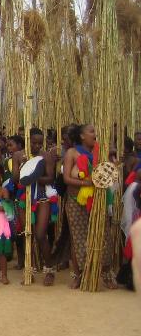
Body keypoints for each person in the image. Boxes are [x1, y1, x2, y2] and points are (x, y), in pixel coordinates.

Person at [62, 124, 117, 289]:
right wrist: (85, 182)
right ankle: (78, 275)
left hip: (97, 200)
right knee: (78, 238)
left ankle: (106, 273)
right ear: (81, 136)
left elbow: (109, 172)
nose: (95, 134)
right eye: (91, 131)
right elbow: (66, 179)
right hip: (75, 201)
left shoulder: (101, 152)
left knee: (103, 234)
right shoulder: (72, 153)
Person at [12, 128, 58, 286]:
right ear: (27, 140)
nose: (37, 146)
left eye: (40, 143)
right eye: (34, 142)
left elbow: (51, 177)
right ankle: (29, 271)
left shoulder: (46, 156)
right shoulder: (18, 155)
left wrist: (33, 175)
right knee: (27, 234)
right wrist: (24, 166)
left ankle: (49, 270)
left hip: (42, 198)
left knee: (40, 234)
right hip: (24, 199)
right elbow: (15, 179)